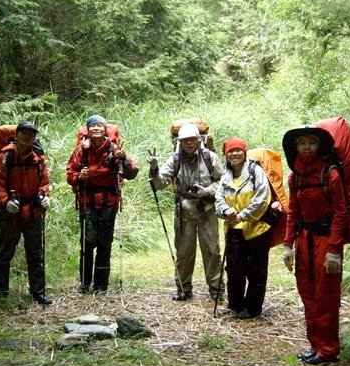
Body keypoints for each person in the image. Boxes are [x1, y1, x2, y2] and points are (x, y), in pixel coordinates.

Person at [281, 127, 348, 365]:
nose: (307, 147)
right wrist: (287, 245)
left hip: (326, 239)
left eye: (312, 142)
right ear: (295, 147)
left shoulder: (331, 174)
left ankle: (328, 349)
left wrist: (334, 250)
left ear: (320, 146)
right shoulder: (295, 176)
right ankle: (315, 345)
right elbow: (294, 212)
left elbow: (341, 213)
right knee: (307, 292)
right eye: (302, 143)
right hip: (304, 239)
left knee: (326, 295)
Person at [148, 123, 224, 301]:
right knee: (183, 252)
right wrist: (154, 169)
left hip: (207, 209)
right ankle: (183, 289)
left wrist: (206, 191)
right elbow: (159, 184)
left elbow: (222, 182)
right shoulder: (174, 160)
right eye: (185, 140)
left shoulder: (210, 157)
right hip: (184, 212)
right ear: (179, 142)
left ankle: (216, 291)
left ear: (198, 140)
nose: (189, 143)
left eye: (192, 140)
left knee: (212, 251)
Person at [66, 115, 139, 294]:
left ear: (105, 129)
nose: (96, 128)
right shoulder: (80, 150)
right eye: (93, 126)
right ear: (88, 130)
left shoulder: (114, 149)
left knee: (105, 243)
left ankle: (101, 286)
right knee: (87, 242)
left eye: (100, 125)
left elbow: (131, 173)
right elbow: (70, 174)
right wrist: (78, 177)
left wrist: (122, 158)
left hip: (109, 202)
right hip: (87, 201)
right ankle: (85, 284)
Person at [0, 121, 52, 305]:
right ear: (16, 135)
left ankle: (38, 291)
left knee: (36, 254)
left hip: (33, 211)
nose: (27, 137)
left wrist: (45, 196)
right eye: (24, 133)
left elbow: (44, 183)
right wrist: (5, 201)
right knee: (4, 252)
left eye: (31, 134)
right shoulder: (6, 156)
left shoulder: (38, 159)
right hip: (11, 211)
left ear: (35, 137)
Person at [214, 137, 274, 319]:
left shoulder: (256, 171)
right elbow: (219, 199)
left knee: (256, 271)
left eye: (238, 150)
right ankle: (235, 305)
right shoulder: (226, 175)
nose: (234, 154)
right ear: (225, 155)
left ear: (244, 151)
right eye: (230, 151)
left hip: (257, 229)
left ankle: (253, 308)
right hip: (234, 228)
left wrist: (243, 215)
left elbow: (262, 198)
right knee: (234, 270)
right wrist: (226, 211)